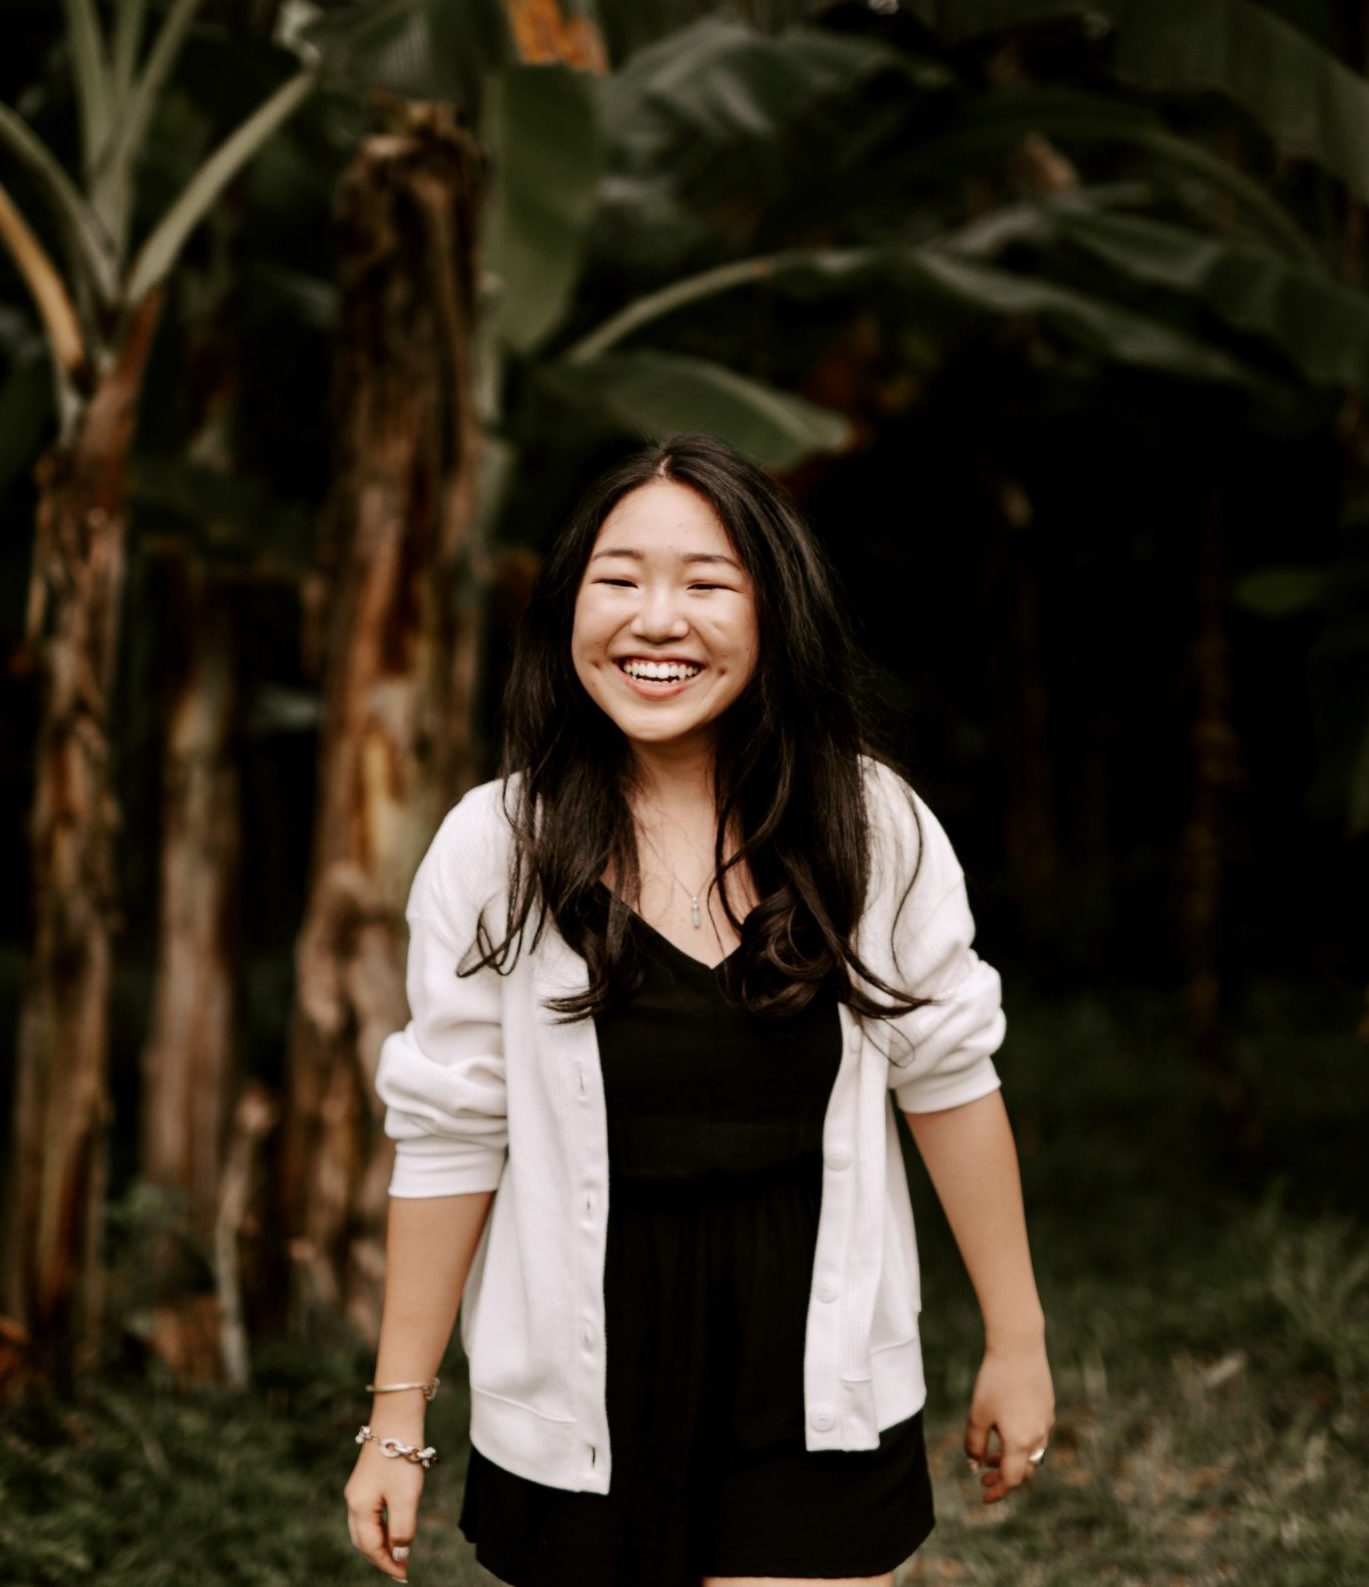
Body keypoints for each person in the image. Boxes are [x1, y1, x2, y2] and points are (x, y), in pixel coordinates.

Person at [345, 432, 1054, 1587]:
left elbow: (951, 1080)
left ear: (775, 614)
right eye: (616, 580)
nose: (655, 621)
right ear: (567, 609)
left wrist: (1015, 1340)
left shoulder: (871, 826)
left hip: (814, 1371)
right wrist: (395, 1420)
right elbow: (450, 1135)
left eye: (706, 583)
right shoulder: (496, 845)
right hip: (582, 1387)